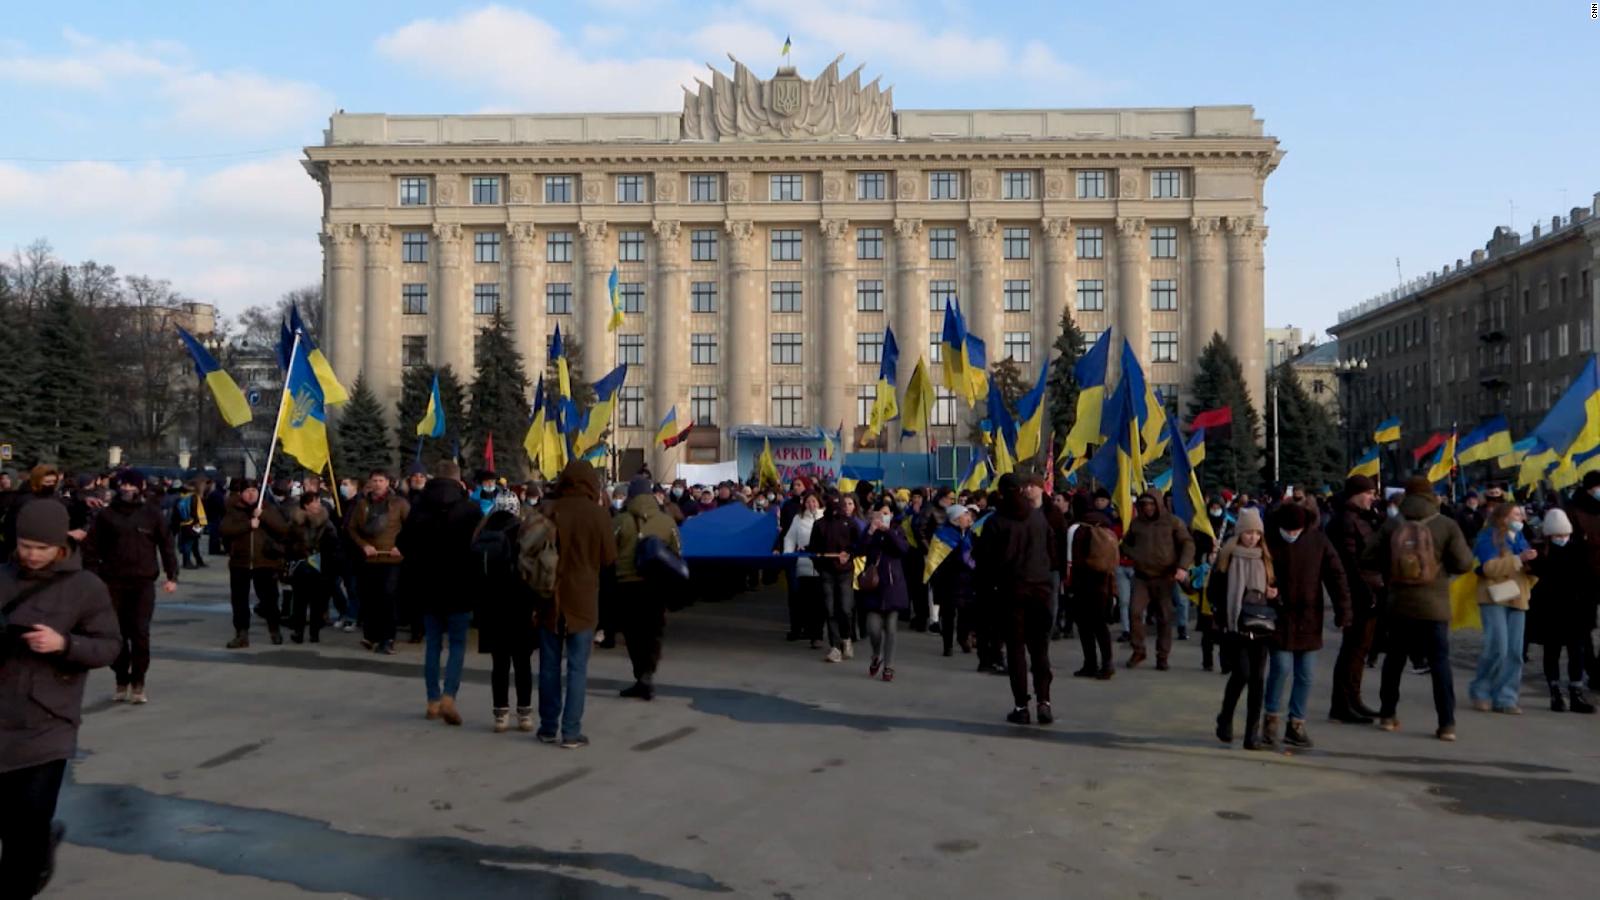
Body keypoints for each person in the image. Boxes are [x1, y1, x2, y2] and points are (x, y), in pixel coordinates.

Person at [0, 500, 121, 897]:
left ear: (60, 546)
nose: (31, 555)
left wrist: (63, 643)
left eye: (41, 547)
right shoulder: (2, 578)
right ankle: (35, 854)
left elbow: (109, 647)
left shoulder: (85, 587)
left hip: (47, 722)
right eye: (24, 545)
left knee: (28, 824)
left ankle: (27, 868)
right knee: (10, 822)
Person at [1364, 477, 1474, 741]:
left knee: (1394, 661)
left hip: (1398, 604)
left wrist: (1391, 569)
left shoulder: (1392, 524)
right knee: (1439, 664)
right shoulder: (1445, 524)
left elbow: (1367, 557)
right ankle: (1446, 723)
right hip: (1434, 606)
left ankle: (1387, 715)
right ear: (1431, 496)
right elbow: (1463, 564)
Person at [534, 460, 617, 748]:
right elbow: (609, 558)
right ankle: (570, 732)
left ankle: (547, 727)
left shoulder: (547, 509)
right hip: (583, 599)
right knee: (578, 668)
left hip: (548, 596)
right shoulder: (598, 514)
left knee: (548, 665)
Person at [1260, 503, 1351, 750]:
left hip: (1309, 617)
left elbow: (1336, 575)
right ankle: (1270, 719)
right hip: (1278, 615)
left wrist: (1344, 611)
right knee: (1280, 667)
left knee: (1306, 675)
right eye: (1287, 530)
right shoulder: (1268, 541)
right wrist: (1265, 592)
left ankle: (1296, 723)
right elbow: (1256, 571)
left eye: (1296, 530)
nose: (1291, 534)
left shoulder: (1318, 541)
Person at [82, 470, 177, 703]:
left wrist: (171, 575)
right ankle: (121, 678)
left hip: (143, 582)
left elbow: (166, 545)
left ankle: (138, 681)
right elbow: (91, 548)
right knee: (116, 634)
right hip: (112, 582)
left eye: (132, 485)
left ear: (141, 487)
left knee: (140, 633)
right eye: (123, 484)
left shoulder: (152, 515)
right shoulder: (106, 515)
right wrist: (93, 577)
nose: (127, 489)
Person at [401, 462, 483, 725]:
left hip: (428, 584)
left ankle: (432, 700)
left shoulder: (419, 506)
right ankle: (450, 695)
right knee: (458, 644)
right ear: (458, 480)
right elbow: (478, 546)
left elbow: (403, 542)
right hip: (460, 584)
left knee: (433, 644)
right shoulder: (470, 509)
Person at [977, 474, 1055, 725]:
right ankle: (1044, 702)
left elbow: (985, 561)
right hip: (1040, 588)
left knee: (1016, 650)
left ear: (1000, 492)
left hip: (1011, 591)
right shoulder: (1038, 518)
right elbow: (1051, 551)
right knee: (1040, 649)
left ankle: (1021, 706)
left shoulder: (996, 521)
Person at [613, 475, 682, 701]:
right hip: (655, 585)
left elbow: (610, 551)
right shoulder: (666, 520)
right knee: (653, 632)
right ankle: (647, 675)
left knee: (633, 634)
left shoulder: (620, 520)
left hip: (627, 585)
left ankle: (640, 675)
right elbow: (677, 551)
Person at [1211, 509, 1276, 749]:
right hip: (1235, 627)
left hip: (1260, 627)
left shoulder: (1265, 559)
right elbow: (1214, 592)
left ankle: (1252, 734)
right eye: (1248, 533)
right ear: (1240, 533)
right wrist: (1223, 618)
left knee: (1258, 680)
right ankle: (1225, 719)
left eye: (1257, 533)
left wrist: (1272, 595)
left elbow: (1274, 589)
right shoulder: (1227, 558)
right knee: (1242, 674)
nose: (1253, 538)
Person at [474, 493, 537, 732]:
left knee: (499, 664)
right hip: (519, 605)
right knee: (522, 663)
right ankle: (525, 714)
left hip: (491, 608)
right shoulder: (522, 533)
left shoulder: (482, 533)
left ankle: (500, 714)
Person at [1325, 475, 1385, 724]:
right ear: (1356, 494)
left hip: (1368, 590)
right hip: (1359, 593)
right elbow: (1350, 563)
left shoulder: (1360, 517)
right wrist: (1364, 593)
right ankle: (1342, 702)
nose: (1373, 497)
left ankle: (1353, 698)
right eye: (1369, 493)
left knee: (1360, 649)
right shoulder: (1346, 521)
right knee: (1353, 648)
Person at [1468, 501, 1536, 716]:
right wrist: (1518, 559)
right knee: (1498, 647)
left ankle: (1506, 696)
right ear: (1503, 517)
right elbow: (1488, 568)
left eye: (1521, 514)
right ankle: (1481, 690)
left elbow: (1526, 568)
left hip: (1518, 596)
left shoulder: (1521, 538)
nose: (1521, 518)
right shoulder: (1489, 537)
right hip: (1494, 595)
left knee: (1515, 652)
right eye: (1516, 514)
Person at [1527, 508, 1595, 712]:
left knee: (1577, 654)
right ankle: (1555, 692)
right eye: (1557, 535)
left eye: (1564, 534)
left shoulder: (1579, 550)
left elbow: (1588, 583)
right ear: (1549, 535)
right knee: (1552, 653)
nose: (1562, 538)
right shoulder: (1540, 553)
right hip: (1551, 612)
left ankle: (1576, 692)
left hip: (1576, 612)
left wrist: (1589, 613)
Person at [1120, 491, 1195, 670]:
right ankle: (1138, 650)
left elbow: (1187, 543)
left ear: (1158, 504)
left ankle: (1163, 656)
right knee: (1135, 612)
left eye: (1151, 504)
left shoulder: (1173, 522)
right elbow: (1125, 544)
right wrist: (1134, 555)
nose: (1148, 508)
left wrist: (1182, 566)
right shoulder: (1137, 523)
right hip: (1142, 577)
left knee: (1164, 617)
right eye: (1144, 504)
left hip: (1164, 576)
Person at [218, 479, 290, 649]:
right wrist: (248, 525)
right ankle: (241, 634)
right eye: (247, 491)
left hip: (264, 561)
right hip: (240, 562)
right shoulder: (233, 509)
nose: (251, 494)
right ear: (241, 493)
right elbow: (225, 529)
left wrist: (262, 515)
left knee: (269, 599)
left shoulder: (267, 507)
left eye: (254, 491)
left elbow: (283, 528)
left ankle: (274, 629)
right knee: (239, 600)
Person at [347, 469, 409, 654]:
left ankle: (388, 638)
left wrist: (402, 546)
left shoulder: (399, 503)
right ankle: (370, 635)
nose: (377, 484)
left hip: (392, 558)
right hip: (370, 558)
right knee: (369, 597)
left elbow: (412, 526)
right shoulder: (362, 504)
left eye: (381, 480)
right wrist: (364, 545)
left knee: (387, 597)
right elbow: (352, 528)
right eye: (374, 480)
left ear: (388, 482)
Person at [858, 499, 911, 682]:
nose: (882, 517)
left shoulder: (897, 530)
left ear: (892, 515)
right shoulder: (869, 530)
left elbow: (903, 549)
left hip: (893, 584)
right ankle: (875, 655)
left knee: (891, 628)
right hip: (873, 584)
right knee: (873, 628)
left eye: (886, 513)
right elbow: (859, 549)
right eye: (879, 513)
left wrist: (888, 532)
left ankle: (889, 666)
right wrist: (871, 531)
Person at [1066, 494, 1117, 679]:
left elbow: (1071, 560)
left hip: (1082, 582)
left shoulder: (1076, 528)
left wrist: (1069, 585)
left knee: (1085, 626)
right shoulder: (1104, 524)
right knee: (1100, 625)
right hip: (1103, 581)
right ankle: (1108, 662)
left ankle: (1090, 663)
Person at [808, 494, 859, 663]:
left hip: (845, 572)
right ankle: (835, 647)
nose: (836, 509)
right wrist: (820, 564)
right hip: (826, 572)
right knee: (829, 609)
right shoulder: (819, 524)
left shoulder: (850, 523)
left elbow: (859, 544)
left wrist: (850, 554)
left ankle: (846, 638)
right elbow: (813, 550)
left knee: (845, 608)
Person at [1561, 470, 1600, 689]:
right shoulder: (1573, 510)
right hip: (1583, 577)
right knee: (1584, 627)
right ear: (1589, 488)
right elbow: (1570, 542)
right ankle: (1591, 669)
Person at [284, 492, 340, 644]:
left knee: (318, 601)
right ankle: (298, 631)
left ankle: (314, 632)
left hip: (320, 565)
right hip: (300, 565)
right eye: (314, 502)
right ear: (306, 505)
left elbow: (334, 543)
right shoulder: (295, 522)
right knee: (299, 601)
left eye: (318, 501)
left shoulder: (326, 522)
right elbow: (287, 542)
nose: (318, 505)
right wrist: (297, 551)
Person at [929, 503, 977, 658]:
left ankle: (963, 638)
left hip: (966, 580)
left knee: (966, 612)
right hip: (948, 579)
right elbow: (936, 558)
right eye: (965, 515)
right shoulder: (943, 534)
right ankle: (947, 645)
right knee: (948, 614)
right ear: (956, 518)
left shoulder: (971, 534)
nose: (969, 518)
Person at [782, 492, 824, 647]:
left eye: (814, 501)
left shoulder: (825, 517)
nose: (811, 505)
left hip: (821, 566)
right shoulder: (798, 519)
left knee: (819, 602)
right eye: (808, 502)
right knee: (803, 600)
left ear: (819, 503)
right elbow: (790, 538)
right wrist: (788, 554)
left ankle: (817, 635)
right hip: (803, 565)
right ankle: (804, 629)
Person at [170, 480, 208, 569]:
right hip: (194, 523)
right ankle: (187, 562)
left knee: (193, 542)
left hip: (184, 524)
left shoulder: (180, 499)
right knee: (190, 542)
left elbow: (175, 515)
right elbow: (198, 512)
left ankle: (198, 560)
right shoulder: (194, 498)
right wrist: (201, 525)